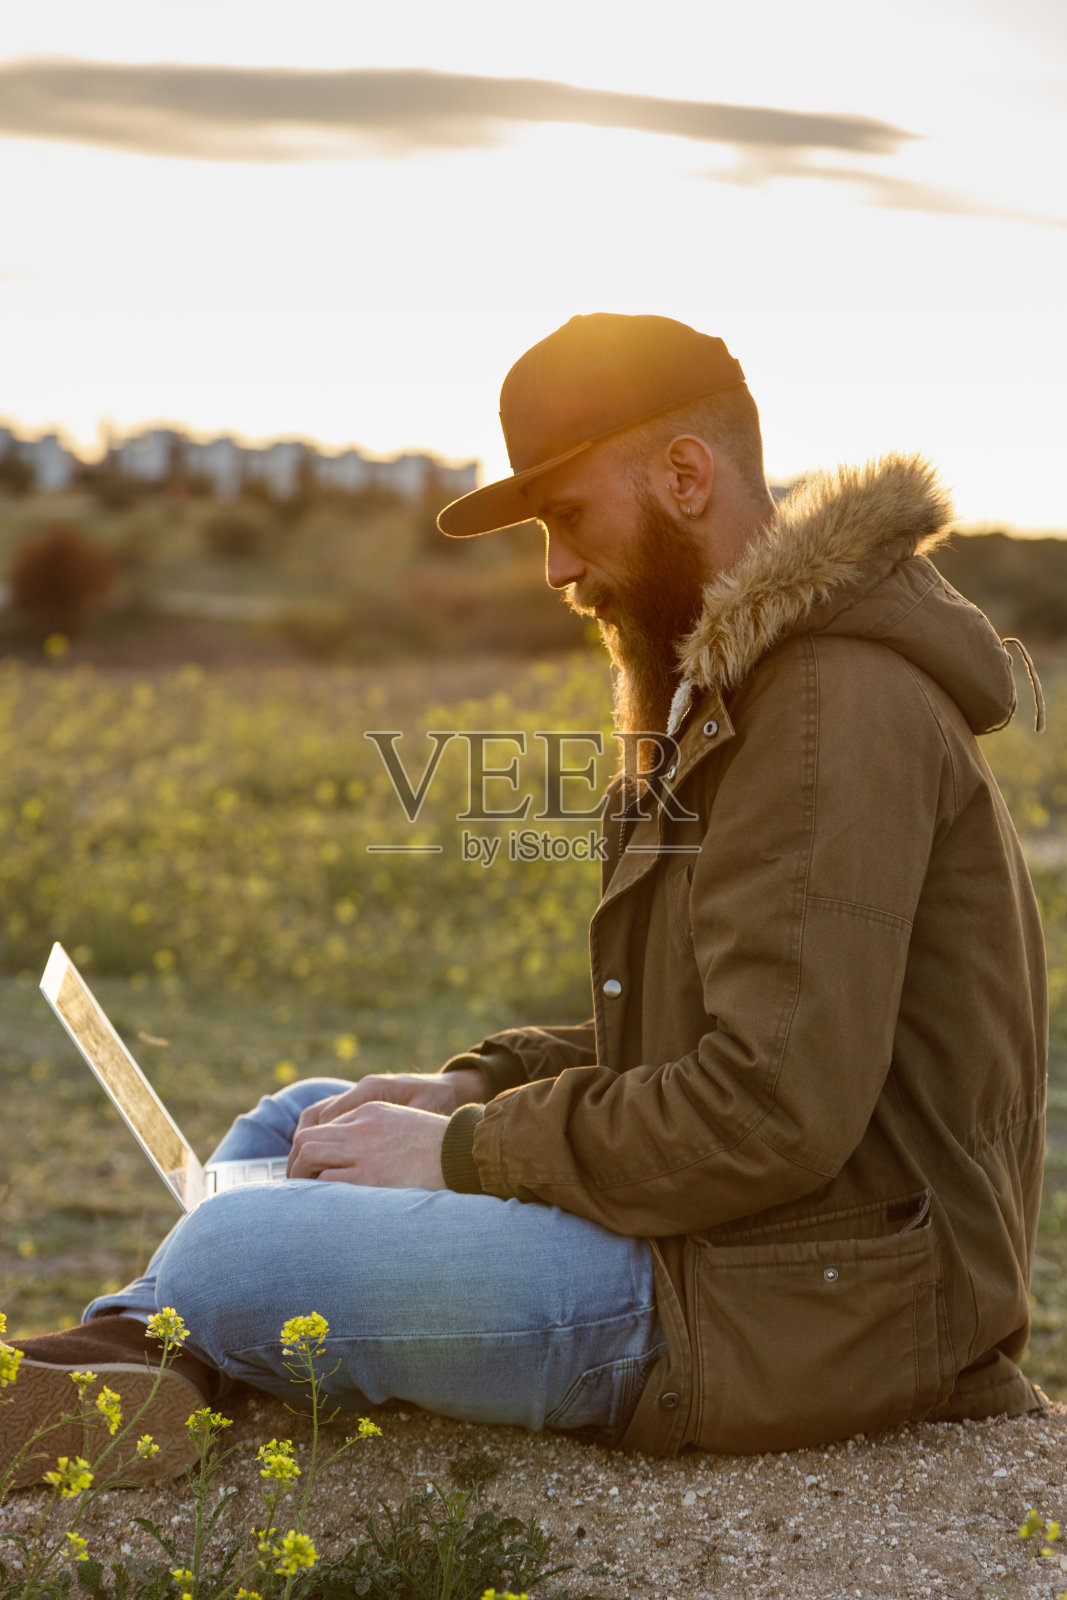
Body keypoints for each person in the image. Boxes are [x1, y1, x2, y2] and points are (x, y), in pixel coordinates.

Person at [1, 313, 1048, 1489]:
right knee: (298, 1119)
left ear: (685, 475)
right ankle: (132, 1364)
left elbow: (765, 1107)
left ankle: (149, 1347)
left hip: (807, 1307)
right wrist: (476, 1081)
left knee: (234, 1251)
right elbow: (714, 1035)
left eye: (566, 516)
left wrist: (460, 1149)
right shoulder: (737, 691)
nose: (554, 567)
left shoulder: (821, 712)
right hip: (754, 1248)